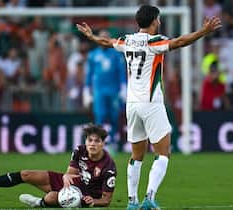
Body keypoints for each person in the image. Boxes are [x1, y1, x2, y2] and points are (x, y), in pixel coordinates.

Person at [76, 5, 221, 210]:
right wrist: (204, 31)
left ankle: (132, 201)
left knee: (136, 155)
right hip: (151, 103)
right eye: (158, 19)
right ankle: (149, 198)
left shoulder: (127, 40)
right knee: (163, 153)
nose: (159, 22)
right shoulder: (155, 41)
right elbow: (180, 42)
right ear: (154, 21)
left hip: (132, 104)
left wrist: (91, 36)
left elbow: (106, 42)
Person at [0, 124, 117, 208]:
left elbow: (107, 200)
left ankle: (39, 202)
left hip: (86, 195)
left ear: (103, 143)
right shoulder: (79, 150)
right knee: (26, 174)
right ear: (85, 141)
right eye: (90, 140)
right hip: (74, 184)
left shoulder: (108, 167)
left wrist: (93, 202)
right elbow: (70, 173)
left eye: (97, 141)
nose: (92, 144)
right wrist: (66, 176)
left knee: (51, 198)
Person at [83, 29, 127, 152]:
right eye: (101, 38)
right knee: (100, 117)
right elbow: (89, 74)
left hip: (114, 91)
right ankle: (98, 144)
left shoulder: (116, 55)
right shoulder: (92, 55)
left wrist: (124, 88)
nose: (104, 41)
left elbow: (121, 73)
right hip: (99, 91)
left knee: (114, 117)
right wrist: (86, 91)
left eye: (106, 38)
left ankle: (112, 142)